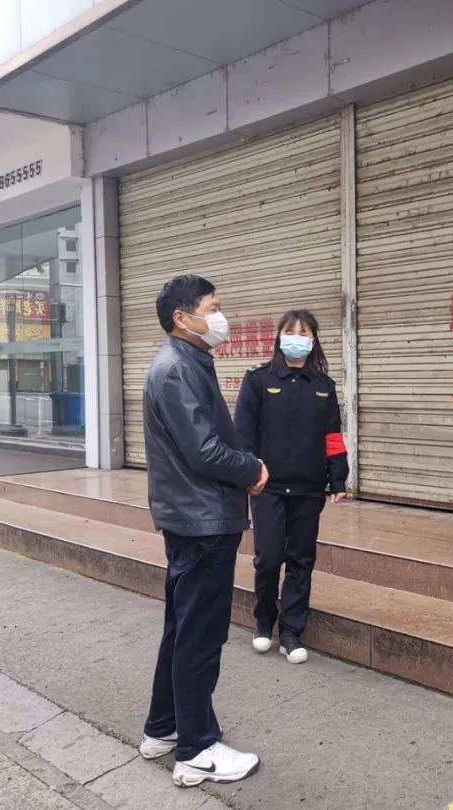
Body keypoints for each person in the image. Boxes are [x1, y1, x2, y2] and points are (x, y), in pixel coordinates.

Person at [138, 275, 269, 787]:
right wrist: (251, 469)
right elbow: (205, 450)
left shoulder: (184, 362)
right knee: (200, 636)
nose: (219, 317)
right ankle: (196, 751)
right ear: (182, 317)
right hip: (202, 521)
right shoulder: (177, 370)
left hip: (193, 516)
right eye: (212, 308)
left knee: (182, 629)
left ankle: (164, 728)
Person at [234, 309, 349, 664]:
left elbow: (333, 437)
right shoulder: (258, 380)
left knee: (301, 560)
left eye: (303, 333)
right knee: (268, 559)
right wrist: (248, 471)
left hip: (308, 489)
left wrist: (338, 477)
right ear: (279, 337)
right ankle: (264, 620)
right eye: (290, 331)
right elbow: (243, 434)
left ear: (313, 340)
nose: (296, 338)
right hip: (268, 487)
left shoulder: (323, 386)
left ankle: (291, 631)